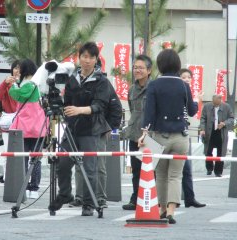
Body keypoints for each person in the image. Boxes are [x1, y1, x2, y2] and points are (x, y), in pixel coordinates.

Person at [48, 42, 111, 216]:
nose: (87, 60)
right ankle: (65, 194)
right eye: (84, 56)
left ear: (96, 59)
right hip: (72, 128)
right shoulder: (71, 78)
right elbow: (67, 102)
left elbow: (99, 105)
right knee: (63, 162)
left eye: (91, 57)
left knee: (90, 168)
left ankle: (89, 203)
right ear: (79, 57)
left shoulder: (101, 81)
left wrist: (79, 110)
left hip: (91, 129)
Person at [138, 49, 198, 224]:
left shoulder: (154, 85)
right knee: (175, 175)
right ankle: (171, 211)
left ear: (160, 65)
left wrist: (144, 133)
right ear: (177, 65)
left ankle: (162, 209)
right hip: (181, 137)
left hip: (160, 136)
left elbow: (149, 113)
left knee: (161, 174)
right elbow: (193, 111)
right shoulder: (183, 85)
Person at [68, 59, 122, 209]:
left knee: (98, 164)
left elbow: (116, 106)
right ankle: (80, 197)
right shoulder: (76, 80)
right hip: (78, 128)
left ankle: (100, 198)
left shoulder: (102, 82)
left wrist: (111, 127)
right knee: (79, 164)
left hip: (97, 129)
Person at [9, 59, 46, 199]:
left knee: (22, 159)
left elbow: (15, 94)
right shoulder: (38, 85)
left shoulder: (26, 85)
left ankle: (23, 186)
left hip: (24, 129)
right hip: (38, 128)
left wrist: (12, 84)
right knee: (36, 159)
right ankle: (34, 188)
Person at [122, 55, 152, 211]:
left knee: (152, 170)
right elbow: (132, 110)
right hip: (134, 135)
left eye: (141, 68)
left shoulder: (154, 88)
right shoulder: (132, 89)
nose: (137, 70)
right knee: (136, 169)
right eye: (135, 67)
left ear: (149, 70)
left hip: (150, 136)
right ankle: (135, 199)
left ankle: (153, 200)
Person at [179, 68, 206, 208]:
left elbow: (191, 111)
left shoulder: (186, 91)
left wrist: (197, 101)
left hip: (184, 131)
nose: (187, 79)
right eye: (184, 77)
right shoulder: (179, 91)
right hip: (178, 132)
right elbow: (192, 110)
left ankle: (189, 198)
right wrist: (197, 101)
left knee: (186, 168)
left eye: (189, 77)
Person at [0, 60, 20, 183]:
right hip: (9, 119)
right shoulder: (7, 84)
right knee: (7, 149)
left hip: (22, 120)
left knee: (22, 151)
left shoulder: (26, 84)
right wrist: (4, 83)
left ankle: (21, 177)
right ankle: (6, 176)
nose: (17, 71)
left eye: (20, 68)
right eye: (15, 68)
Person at [200, 94, 234, 177]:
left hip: (221, 132)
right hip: (209, 132)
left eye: (217, 104)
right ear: (212, 101)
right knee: (208, 151)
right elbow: (203, 118)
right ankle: (209, 168)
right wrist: (202, 129)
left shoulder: (227, 107)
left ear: (221, 101)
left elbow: (232, 118)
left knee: (221, 153)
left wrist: (224, 123)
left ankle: (218, 171)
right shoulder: (207, 106)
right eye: (214, 104)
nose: (215, 106)